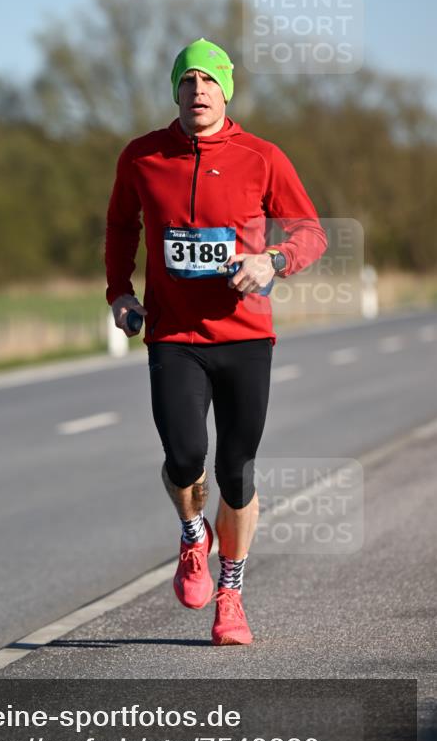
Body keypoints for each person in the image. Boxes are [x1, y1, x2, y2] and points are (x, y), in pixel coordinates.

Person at [105, 38, 327, 645]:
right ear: (174, 90)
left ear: (226, 91)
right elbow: (122, 225)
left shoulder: (262, 156)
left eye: (209, 81)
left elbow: (310, 231)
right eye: (187, 81)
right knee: (183, 457)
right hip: (174, 335)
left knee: (236, 468)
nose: (197, 91)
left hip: (245, 338)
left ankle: (231, 592)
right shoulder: (142, 157)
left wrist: (274, 260)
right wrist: (119, 292)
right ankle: (191, 536)